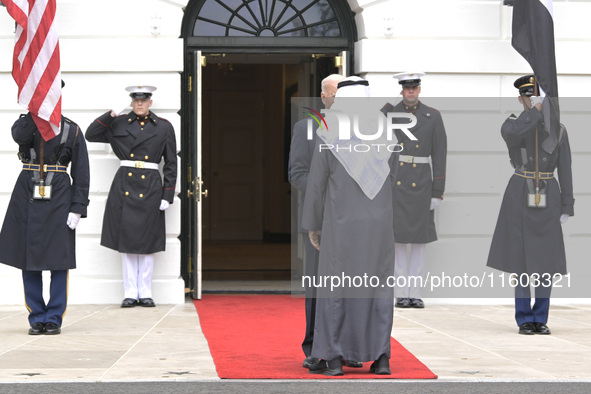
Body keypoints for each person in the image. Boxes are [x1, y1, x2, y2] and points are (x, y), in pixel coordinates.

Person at [302, 76, 396, 376]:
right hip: (379, 223)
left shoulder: (329, 130)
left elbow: (317, 183)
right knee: (377, 287)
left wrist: (312, 225)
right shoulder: (386, 131)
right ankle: (381, 358)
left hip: (341, 222)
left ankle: (332, 358)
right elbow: (392, 178)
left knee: (336, 287)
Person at [487, 75, 574, 335]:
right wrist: (535, 112)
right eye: (527, 96)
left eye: (536, 97)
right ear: (521, 99)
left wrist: (567, 204)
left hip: (548, 194)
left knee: (545, 262)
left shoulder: (558, 129)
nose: (531, 100)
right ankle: (524, 318)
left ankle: (541, 317)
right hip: (520, 193)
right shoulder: (512, 124)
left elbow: (566, 169)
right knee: (522, 261)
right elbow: (514, 136)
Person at [0, 85, 90, 335]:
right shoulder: (26, 124)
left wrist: (78, 208)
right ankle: (36, 316)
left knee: (59, 261)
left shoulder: (71, 129)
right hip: (27, 192)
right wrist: (34, 112)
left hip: (59, 196)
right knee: (29, 260)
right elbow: (19, 137)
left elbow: (81, 173)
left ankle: (54, 317)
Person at [85, 85, 177, 308]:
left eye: (143, 100)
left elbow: (171, 163)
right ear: (130, 102)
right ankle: (130, 292)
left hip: (151, 185)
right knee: (126, 242)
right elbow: (91, 134)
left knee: (147, 242)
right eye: (135, 100)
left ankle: (145, 291)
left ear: (150, 102)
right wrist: (112, 113)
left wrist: (168, 193)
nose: (139, 104)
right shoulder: (118, 123)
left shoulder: (164, 127)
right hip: (125, 182)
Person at [382, 72, 447, 309]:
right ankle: (401, 293)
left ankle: (416, 293)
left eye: (414, 88)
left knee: (419, 241)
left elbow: (440, 155)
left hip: (421, 182)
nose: (410, 91)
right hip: (396, 180)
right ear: (401, 90)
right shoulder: (390, 113)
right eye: (406, 88)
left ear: (419, 90)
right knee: (398, 241)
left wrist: (437, 191)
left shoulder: (433, 116)